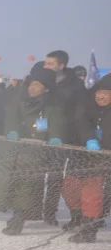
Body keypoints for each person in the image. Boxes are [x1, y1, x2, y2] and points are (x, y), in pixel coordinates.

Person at [0, 67, 66, 235]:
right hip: (11, 152)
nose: (32, 88)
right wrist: (12, 130)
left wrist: (55, 137)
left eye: (36, 85)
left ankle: (18, 218)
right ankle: (13, 212)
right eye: (31, 84)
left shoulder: (52, 108)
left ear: (47, 88)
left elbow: (56, 126)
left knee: (27, 187)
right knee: (7, 183)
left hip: (34, 155)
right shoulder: (18, 100)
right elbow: (10, 118)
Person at [61, 73, 110, 242]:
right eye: (99, 92)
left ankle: (89, 230)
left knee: (92, 194)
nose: (101, 96)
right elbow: (81, 124)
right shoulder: (87, 106)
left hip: (103, 160)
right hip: (81, 155)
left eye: (107, 93)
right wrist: (89, 138)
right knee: (70, 188)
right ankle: (77, 218)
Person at [40, 50, 87, 224]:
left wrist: (66, 135)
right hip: (46, 136)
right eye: (46, 63)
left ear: (62, 66)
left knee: (69, 179)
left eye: (50, 64)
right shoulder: (41, 80)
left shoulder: (75, 84)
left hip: (70, 139)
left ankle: (74, 215)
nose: (46, 66)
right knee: (47, 177)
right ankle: (45, 212)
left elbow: (79, 112)